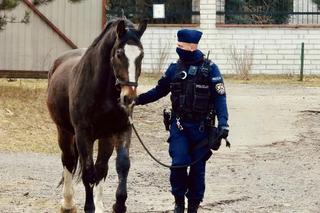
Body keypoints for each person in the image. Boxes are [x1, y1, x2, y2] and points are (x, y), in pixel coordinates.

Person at [135, 29, 229, 213]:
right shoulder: (174, 69)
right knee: (178, 163)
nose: (178, 48)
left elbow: (220, 98)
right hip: (179, 126)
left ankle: (193, 206)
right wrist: (136, 101)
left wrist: (224, 123)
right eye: (177, 45)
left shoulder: (210, 69)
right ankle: (179, 202)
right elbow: (158, 91)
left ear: (192, 46)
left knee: (197, 169)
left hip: (202, 128)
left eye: (181, 45)